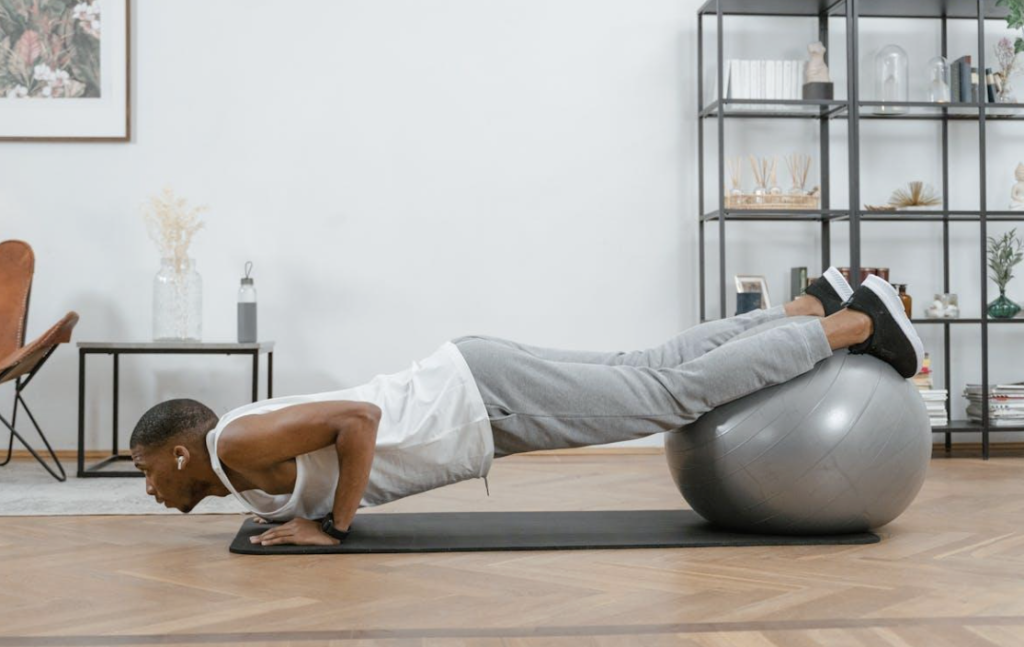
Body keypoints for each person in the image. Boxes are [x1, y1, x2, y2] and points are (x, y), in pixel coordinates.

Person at [129, 268, 922, 547]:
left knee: (666, 395)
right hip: (476, 385)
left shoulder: (234, 444)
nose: (147, 490)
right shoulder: (233, 459)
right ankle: (805, 306)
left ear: (179, 453)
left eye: (144, 473)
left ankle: (855, 324)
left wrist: (333, 526)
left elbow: (356, 423)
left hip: (480, 398)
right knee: (647, 369)